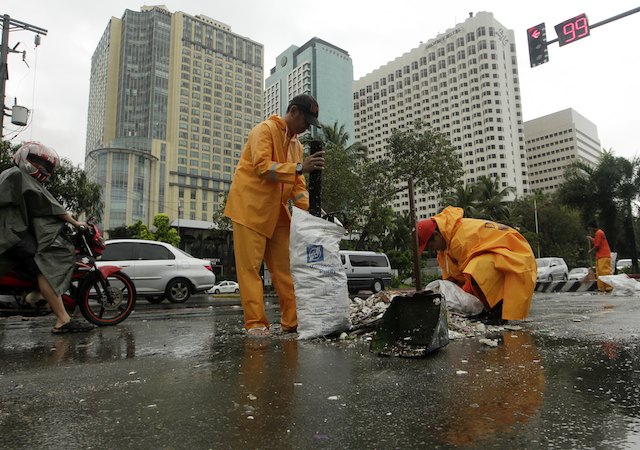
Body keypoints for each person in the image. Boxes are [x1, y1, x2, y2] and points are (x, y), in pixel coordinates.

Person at [224, 94, 325, 337]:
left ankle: (292, 321)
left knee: (285, 269)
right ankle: (256, 324)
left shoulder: (296, 145)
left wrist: (314, 211)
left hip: (276, 212)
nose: (306, 127)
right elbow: (262, 168)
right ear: (293, 111)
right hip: (249, 209)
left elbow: (298, 187)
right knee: (250, 271)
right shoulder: (264, 130)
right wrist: (301, 167)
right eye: (305, 121)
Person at [0, 142, 93, 334]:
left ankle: (35, 295)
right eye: (37, 162)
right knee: (44, 266)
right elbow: (49, 204)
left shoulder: (15, 176)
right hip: (12, 232)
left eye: (46, 166)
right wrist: (76, 223)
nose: (42, 169)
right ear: (25, 158)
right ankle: (62, 319)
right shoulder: (17, 175)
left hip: (13, 231)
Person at [417, 206, 537, 324]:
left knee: (478, 268)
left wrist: (466, 301)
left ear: (437, 235)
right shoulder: (445, 251)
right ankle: (488, 310)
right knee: (477, 270)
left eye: (429, 245)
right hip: (500, 257)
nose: (431, 249)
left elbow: (470, 278)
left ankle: (496, 312)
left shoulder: (460, 240)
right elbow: (453, 279)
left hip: (517, 256)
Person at [586, 221, 612, 293]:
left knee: (604, 272)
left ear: (592, 227)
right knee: (599, 273)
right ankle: (601, 288)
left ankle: (608, 287)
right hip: (600, 256)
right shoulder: (598, 233)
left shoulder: (599, 233)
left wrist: (591, 251)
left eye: (590, 229)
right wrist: (591, 239)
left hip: (604, 255)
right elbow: (597, 242)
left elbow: (597, 245)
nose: (590, 231)